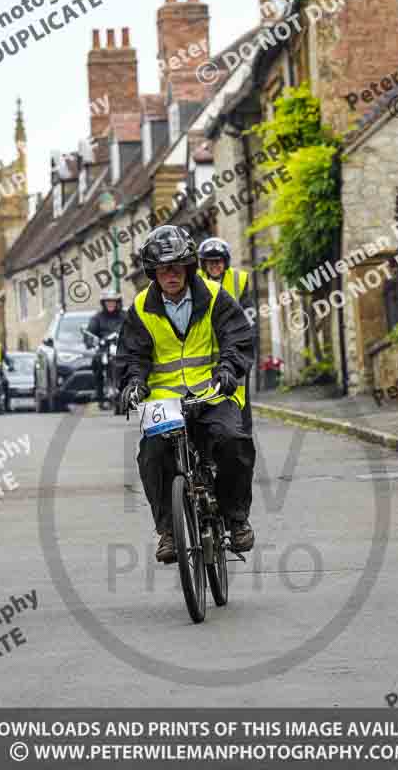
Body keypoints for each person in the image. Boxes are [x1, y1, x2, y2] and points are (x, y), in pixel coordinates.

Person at [117, 225, 256, 563]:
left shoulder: (214, 296)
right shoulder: (140, 308)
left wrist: (227, 369)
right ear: (153, 273)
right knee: (151, 455)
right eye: (163, 269)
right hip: (165, 400)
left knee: (232, 442)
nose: (171, 275)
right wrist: (133, 382)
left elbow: (236, 338)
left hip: (212, 392)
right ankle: (167, 531)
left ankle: (236, 520)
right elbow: (132, 356)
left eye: (177, 266)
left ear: (189, 267)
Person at [198, 237, 255, 435]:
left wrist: (246, 339)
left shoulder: (239, 280)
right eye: (210, 262)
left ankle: (243, 437)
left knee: (239, 397)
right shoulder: (194, 281)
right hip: (202, 352)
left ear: (226, 262)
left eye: (218, 261)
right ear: (203, 263)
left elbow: (249, 314)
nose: (214, 266)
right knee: (203, 399)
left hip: (233, 349)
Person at [86, 291, 126, 409]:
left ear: (118, 303)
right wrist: (90, 341)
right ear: (103, 303)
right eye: (108, 302)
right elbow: (90, 333)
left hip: (122, 348)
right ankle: (100, 395)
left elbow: (134, 329)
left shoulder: (125, 316)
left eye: (113, 302)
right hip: (104, 349)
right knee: (96, 362)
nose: (110, 304)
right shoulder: (97, 318)